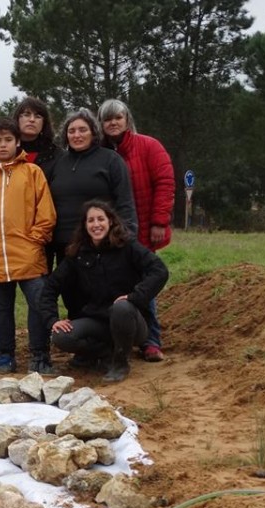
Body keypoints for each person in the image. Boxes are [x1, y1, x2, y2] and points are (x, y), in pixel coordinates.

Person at [39, 200, 169, 382]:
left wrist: (135, 297)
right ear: (85, 226)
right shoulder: (78, 253)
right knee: (61, 337)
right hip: (97, 322)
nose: (96, 224)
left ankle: (120, 363)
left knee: (122, 307)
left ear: (110, 222)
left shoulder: (128, 246)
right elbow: (51, 287)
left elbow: (159, 271)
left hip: (131, 322)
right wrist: (52, 320)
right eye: (90, 220)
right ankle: (104, 353)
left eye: (101, 219)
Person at [0, 117, 57, 374]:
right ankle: (5, 354)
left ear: (18, 142)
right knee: (1, 308)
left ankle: (39, 355)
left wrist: (36, 238)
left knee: (38, 304)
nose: (3, 145)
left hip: (28, 254)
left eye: (8, 140)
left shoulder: (32, 172)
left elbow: (46, 210)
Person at [99, 98, 175, 363]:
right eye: (107, 119)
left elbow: (165, 183)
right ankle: (119, 336)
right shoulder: (101, 152)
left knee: (145, 284)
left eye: (117, 117)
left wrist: (158, 221)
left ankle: (151, 340)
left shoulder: (149, 146)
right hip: (109, 232)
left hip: (143, 227)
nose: (113, 122)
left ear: (127, 119)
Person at [47, 108, 137, 326]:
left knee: (100, 294)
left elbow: (124, 201)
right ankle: (83, 345)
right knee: (72, 295)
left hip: (100, 242)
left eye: (82, 130)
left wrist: (127, 235)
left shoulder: (111, 160)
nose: (77, 135)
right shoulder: (58, 162)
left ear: (94, 133)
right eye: (72, 131)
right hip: (65, 244)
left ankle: (109, 344)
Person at [12, 96, 61, 180]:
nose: (32, 119)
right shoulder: (5, 151)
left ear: (44, 123)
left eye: (38, 116)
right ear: (17, 119)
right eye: (27, 115)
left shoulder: (57, 155)